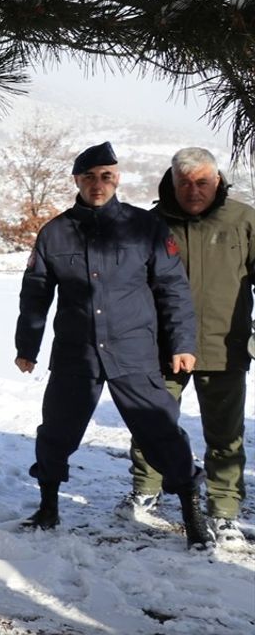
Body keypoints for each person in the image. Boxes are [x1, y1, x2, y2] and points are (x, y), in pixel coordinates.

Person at [14, 142, 212, 548]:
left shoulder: (146, 228)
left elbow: (173, 289)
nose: (97, 184)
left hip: (134, 350)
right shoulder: (55, 232)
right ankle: (48, 507)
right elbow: (35, 293)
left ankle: (193, 515)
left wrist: (182, 343)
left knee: (161, 432)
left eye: (105, 176)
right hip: (76, 352)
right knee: (56, 431)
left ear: (117, 177)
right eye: (88, 177)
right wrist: (26, 346)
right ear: (76, 181)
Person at [117, 147, 253, 546]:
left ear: (218, 181)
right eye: (184, 183)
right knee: (152, 425)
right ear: (171, 183)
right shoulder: (150, 224)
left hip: (224, 346)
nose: (193, 191)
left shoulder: (244, 220)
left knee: (226, 435)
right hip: (161, 349)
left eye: (202, 183)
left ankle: (224, 511)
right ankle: (146, 492)